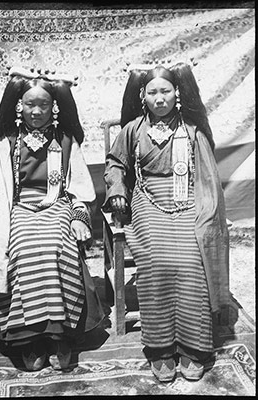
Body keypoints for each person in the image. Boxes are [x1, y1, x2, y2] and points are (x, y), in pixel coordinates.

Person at [102, 62, 230, 382]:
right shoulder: (132, 129)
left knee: (191, 260)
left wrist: (206, 209)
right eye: (153, 92)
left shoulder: (192, 131)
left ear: (177, 94)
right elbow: (115, 165)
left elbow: (207, 177)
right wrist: (118, 190)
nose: (160, 99)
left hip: (189, 201)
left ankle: (193, 347)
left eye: (167, 91)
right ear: (143, 96)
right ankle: (159, 349)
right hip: (148, 201)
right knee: (157, 262)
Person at [0, 66, 104, 372]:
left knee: (55, 246)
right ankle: (28, 338)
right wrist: (2, 228)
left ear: (54, 107)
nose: (37, 111)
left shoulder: (64, 140)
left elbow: (80, 188)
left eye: (44, 105)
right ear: (19, 105)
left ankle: (60, 335)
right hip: (20, 208)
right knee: (23, 248)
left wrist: (78, 216)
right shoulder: (8, 142)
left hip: (57, 205)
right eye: (30, 104)